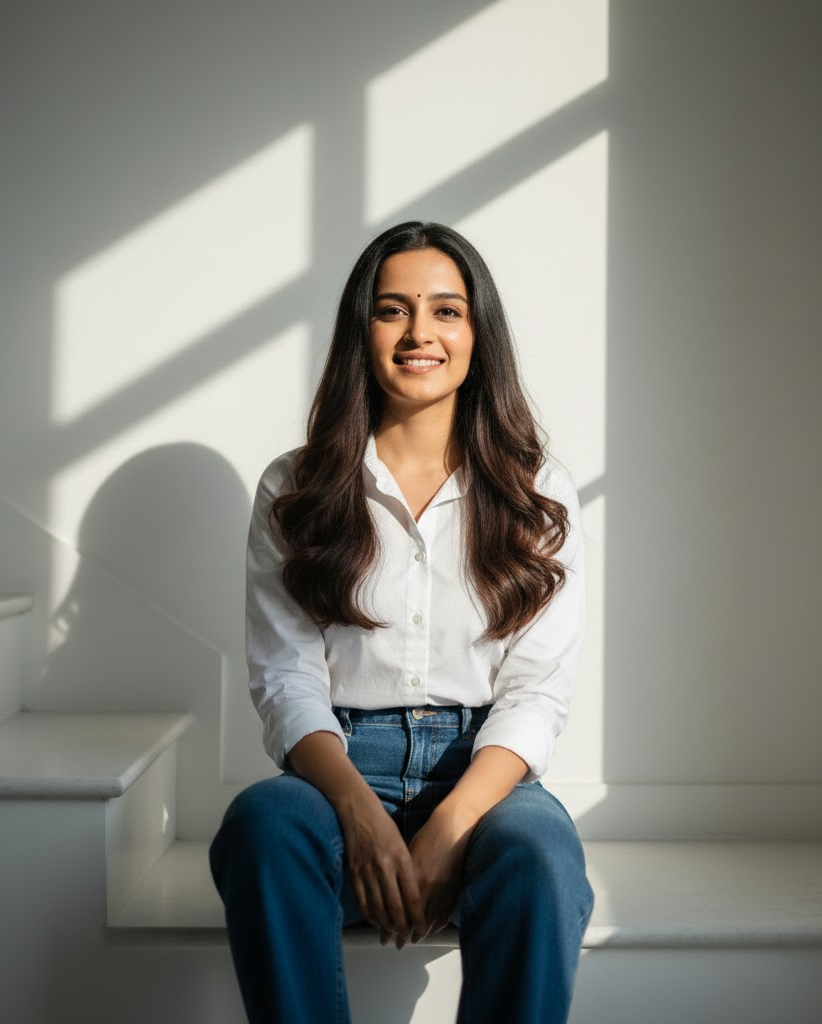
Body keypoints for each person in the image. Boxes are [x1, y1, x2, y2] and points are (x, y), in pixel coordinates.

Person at [209, 221, 594, 1024]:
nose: (421, 332)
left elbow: (537, 690)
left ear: (476, 333)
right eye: (394, 310)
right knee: (263, 825)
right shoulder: (296, 488)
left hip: (485, 774)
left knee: (542, 855)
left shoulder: (539, 491)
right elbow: (286, 677)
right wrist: (358, 812)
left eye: (446, 311)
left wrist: (451, 824)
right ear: (364, 330)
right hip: (341, 768)